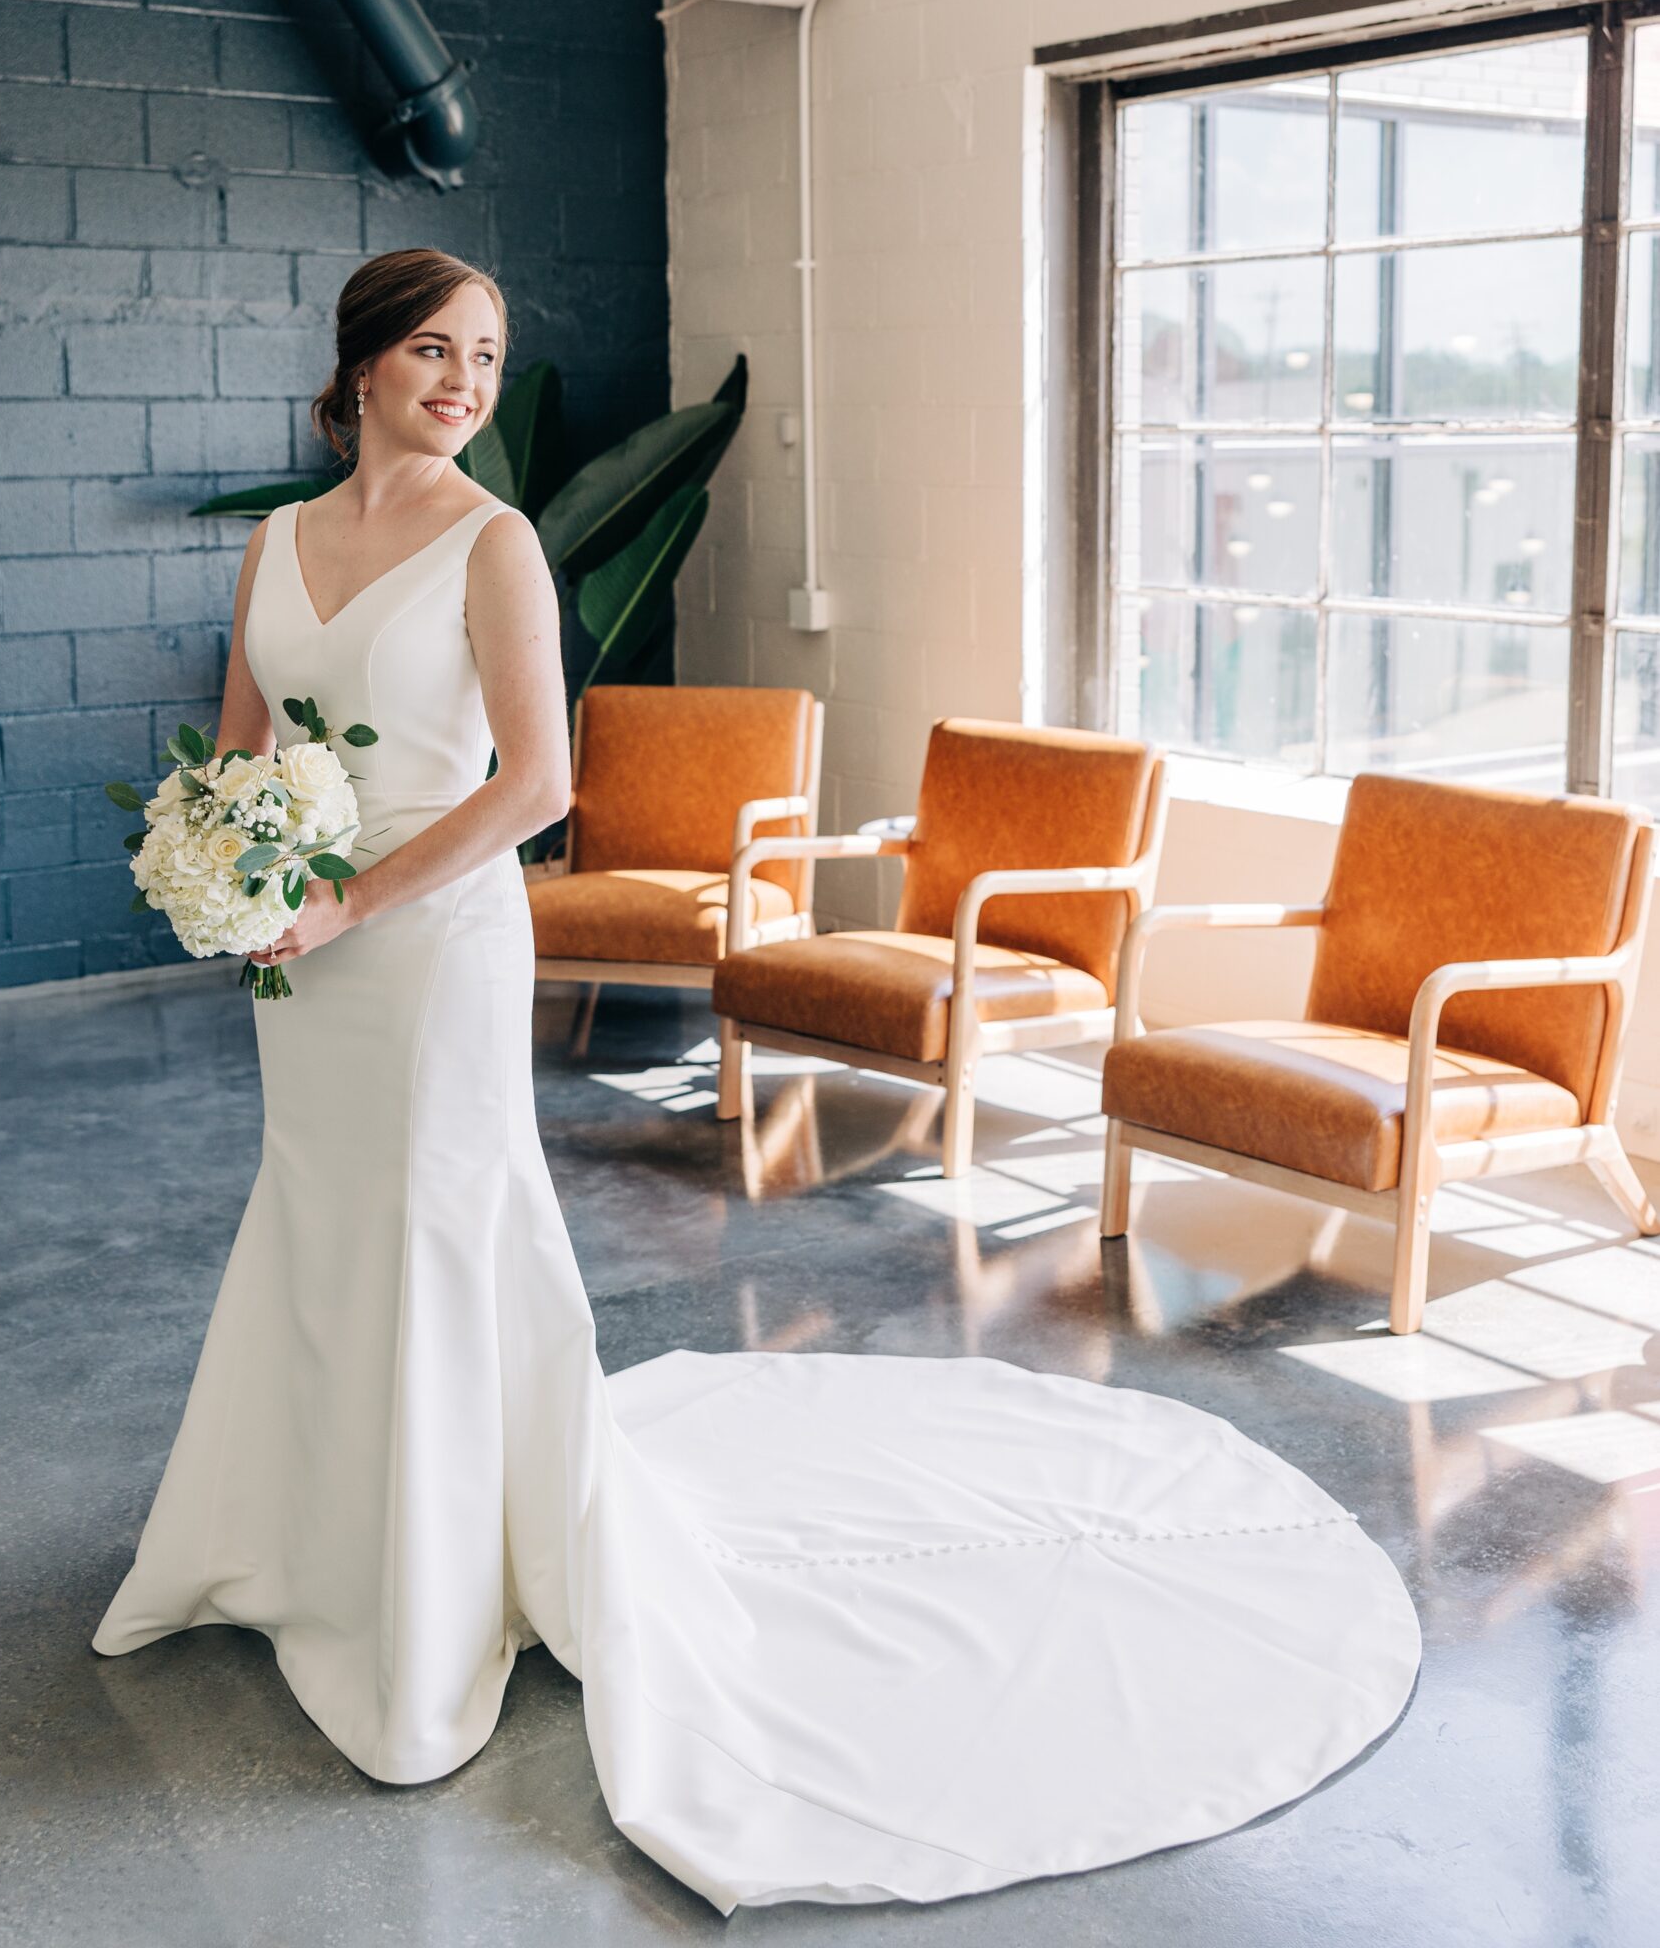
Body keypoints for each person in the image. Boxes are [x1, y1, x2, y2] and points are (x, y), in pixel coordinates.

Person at [95, 247, 1419, 1914]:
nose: (463, 382)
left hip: (427, 949)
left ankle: (430, 1598)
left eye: (488, 356)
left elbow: (538, 784)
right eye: (433, 349)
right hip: (308, 964)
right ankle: (298, 1541)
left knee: (438, 1228)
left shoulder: (493, 545)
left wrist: (356, 891)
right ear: (361, 364)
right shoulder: (278, 546)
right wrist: (231, 871)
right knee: (321, 1218)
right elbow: (239, 743)